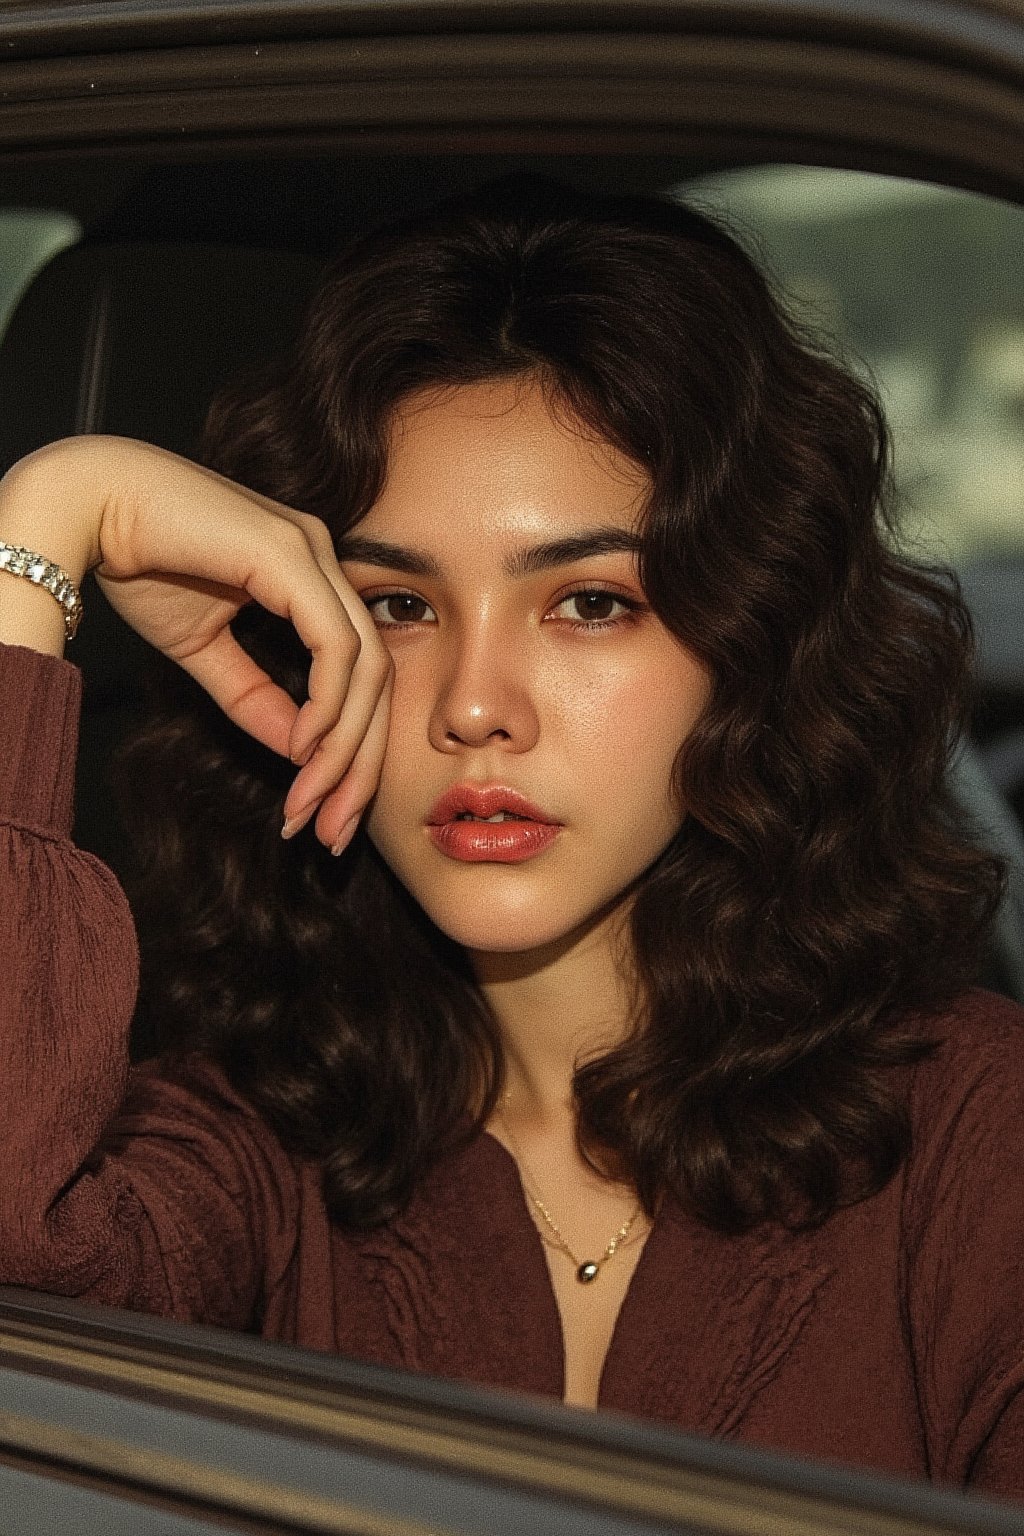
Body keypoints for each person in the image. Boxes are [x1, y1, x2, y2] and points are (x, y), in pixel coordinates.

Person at [1, 178, 1022, 1496]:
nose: (476, 708)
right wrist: (45, 523)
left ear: (749, 644)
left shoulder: (978, 1135)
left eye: (590, 604)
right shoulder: (259, 1130)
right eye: (397, 606)